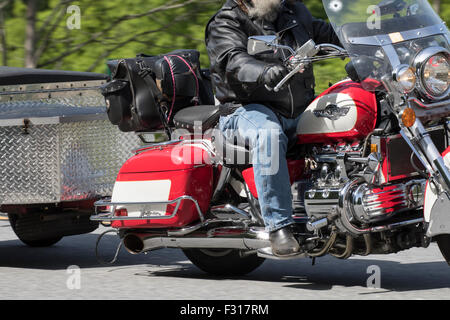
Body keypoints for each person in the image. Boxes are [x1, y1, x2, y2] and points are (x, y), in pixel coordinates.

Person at [205, 0, 341, 257]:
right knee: (268, 133)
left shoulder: (293, 12)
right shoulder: (225, 22)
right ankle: (278, 227)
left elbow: (331, 33)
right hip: (245, 110)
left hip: (297, 109)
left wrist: (377, 28)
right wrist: (262, 70)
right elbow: (233, 61)